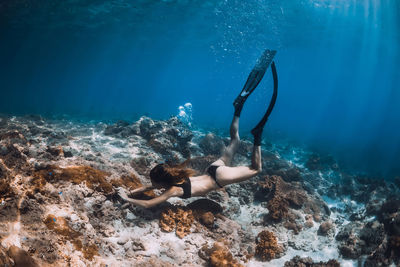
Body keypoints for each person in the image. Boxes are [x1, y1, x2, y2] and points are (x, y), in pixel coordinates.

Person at [118, 49, 278, 208]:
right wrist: (129, 193)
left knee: (256, 169)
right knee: (235, 141)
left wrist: (127, 199)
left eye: (154, 182)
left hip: (218, 177)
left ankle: (258, 135)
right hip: (214, 170)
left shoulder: (173, 190)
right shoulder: (173, 179)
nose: (152, 184)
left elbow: (149, 204)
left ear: (162, 182)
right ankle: (238, 109)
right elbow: (148, 187)